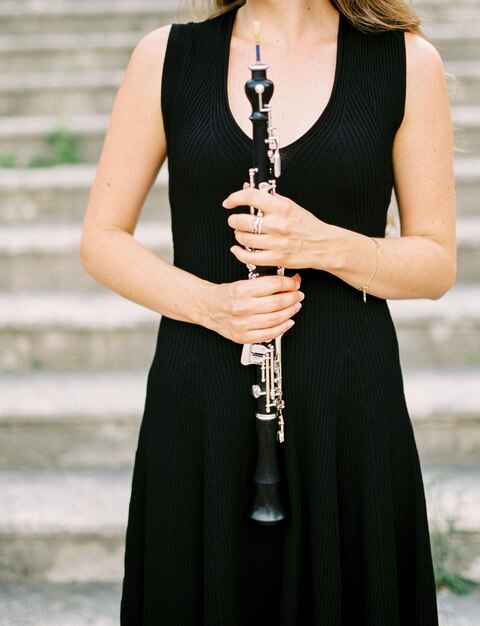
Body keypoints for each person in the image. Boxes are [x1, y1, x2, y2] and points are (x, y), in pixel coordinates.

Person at [80, 0, 456, 623]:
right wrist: (211, 304)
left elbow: (436, 263)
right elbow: (101, 240)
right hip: (199, 400)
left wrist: (321, 244)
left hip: (348, 412)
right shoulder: (166, 57)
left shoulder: (409, 63)